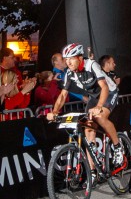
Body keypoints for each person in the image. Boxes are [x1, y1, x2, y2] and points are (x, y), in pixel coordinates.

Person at [46, 44, 124, 172]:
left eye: (71, 58)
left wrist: (99, 106)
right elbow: (62, 95)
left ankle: (117, 147)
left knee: (99, 116)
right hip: (94, 96)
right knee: (88, 130)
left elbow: (104, 87)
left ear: (80, 58)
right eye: (66, 59)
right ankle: (93, 172)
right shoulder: (70, 73)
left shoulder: (91, 65)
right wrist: (54, 111)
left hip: (109, 92)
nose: (68, 62)